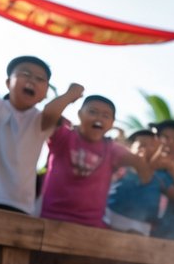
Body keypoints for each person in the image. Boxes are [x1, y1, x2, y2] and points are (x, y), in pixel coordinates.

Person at [39, 96, 155, 229]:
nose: (98, 118)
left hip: (90, 228)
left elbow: (142, 169)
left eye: (105, 115)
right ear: (80, 114)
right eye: (92, 112)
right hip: (50, 220)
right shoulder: (64, 137)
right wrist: (70, 94)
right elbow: (47, 115)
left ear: (112, 123)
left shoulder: (112, 149)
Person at [0, 56, 83, 214]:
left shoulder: (40, 121)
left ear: (45, 93)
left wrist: (70, 94)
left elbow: (52, 111)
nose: (32, 80)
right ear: (8, 83)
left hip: (21, 206)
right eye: (25, 74)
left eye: (40, 79)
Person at [106, 128, 174, 235]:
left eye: (152, 145)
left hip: (141, 230)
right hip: (109, 221)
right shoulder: (120, 168)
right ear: (129, 147)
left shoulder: (161, 177)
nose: (145, 149)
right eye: (141, 145)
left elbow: (146, 175)